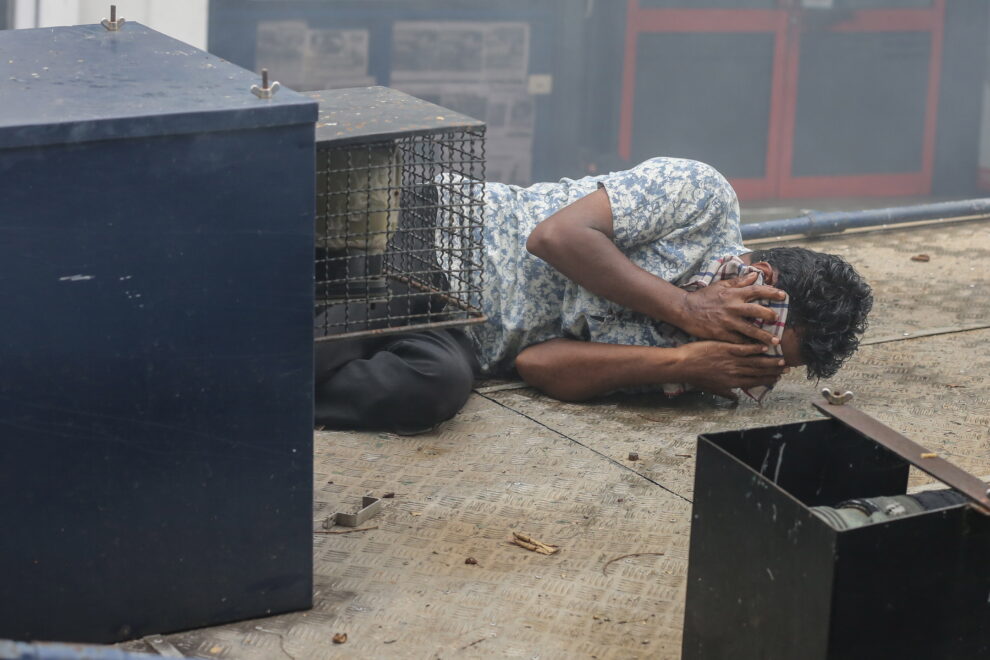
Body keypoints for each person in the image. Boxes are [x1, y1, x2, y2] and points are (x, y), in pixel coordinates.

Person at [315, 157, 873, 434]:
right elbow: (555, 236)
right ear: (761, 282)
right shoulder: (703, 199)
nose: (754, 357)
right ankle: (270, 372)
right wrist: (685, 307)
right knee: (332, 337)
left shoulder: (704, 364)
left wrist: (681, 361)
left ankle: (278, 404)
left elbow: (539, 363)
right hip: (443, 245)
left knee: (434, 391)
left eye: (771, 363)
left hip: (468, 334)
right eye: (765, 339)